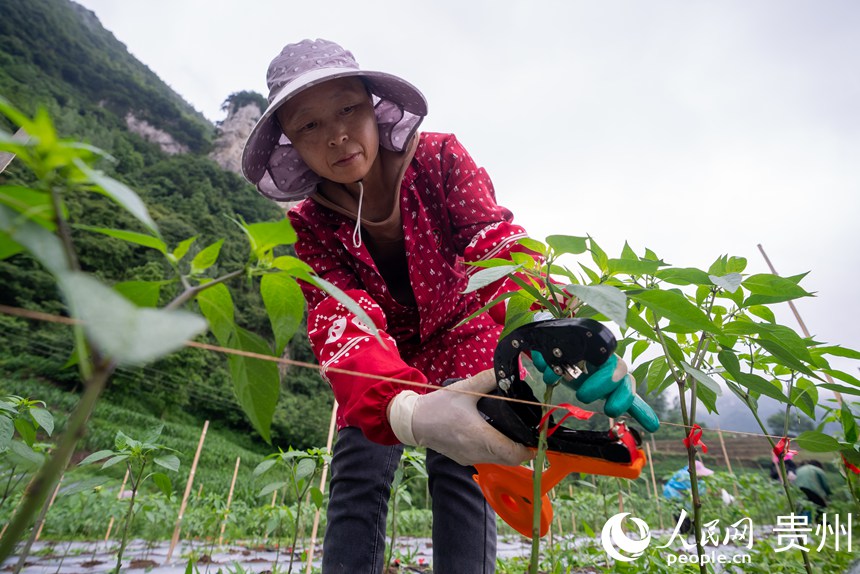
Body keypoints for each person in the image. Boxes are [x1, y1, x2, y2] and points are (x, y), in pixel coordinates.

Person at [241, 38, 651, 573]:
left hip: (463, 332)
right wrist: (402, 407)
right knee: (358, 470)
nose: (337, 135)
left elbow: (495, 246)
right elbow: (341, 318)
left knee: (467, 464)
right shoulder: (312, 226)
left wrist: (553, 328)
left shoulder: (438, 160)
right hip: (378, 355)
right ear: (291, 144)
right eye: (309, 126)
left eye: (347, 109)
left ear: (374, 107)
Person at [663, 459, 714, 534]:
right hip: (673, 497)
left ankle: (688, 533)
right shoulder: (686, 475)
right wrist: (709, 489)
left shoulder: (685, 473)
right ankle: (686, 533)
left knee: (687, 521)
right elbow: (696, 489)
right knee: (683, 520)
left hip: (678, 498)